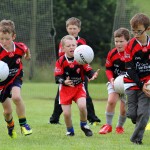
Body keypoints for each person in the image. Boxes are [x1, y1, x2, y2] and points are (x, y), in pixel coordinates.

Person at [49, 17, 101, 125]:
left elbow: (85, 58)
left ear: (79, 29)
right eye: (70, 28)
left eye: (74, 28)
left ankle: (93, 119)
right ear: (67, 28)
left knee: (85, 95)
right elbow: (61, 57)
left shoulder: (82, 42)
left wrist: (90, 72)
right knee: (60, 95)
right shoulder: (63, 41)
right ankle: (54, 119)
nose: (72, 30)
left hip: (80, 73)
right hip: (67, 74)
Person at [54, 35, 100, 136]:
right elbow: (57, 77)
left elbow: (88, 70)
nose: (71, 47)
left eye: (73, 45)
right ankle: (70, 130)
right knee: (66, 114)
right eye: (68, 46)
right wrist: (63, 81)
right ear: (63, 48)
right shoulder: (60, 61)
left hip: (79, 87)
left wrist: (93, 74)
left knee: (83, 106)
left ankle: (84, 125)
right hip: (65, 90)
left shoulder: (81, 58)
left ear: (77, 46)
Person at [0, 19, 32, 138]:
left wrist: (28, 56)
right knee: (7, 112)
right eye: (1, 39)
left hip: (15, 77)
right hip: (2, 84)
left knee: (17, 97)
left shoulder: (20, 47)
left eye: (7, 39)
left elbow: (26, 50)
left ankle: (24, 125)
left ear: (13, 36)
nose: (4, 42)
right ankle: (10, 126)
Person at [124, 13, 150, 145]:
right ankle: (137, 120)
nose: (135, 34)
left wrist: (147, 84)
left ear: (148, 29)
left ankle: (136, 139)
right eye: (133, 31)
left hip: (148, 85)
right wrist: (141, 85)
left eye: (139, 31)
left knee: (144, 114)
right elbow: (129, 68)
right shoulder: (130, 45)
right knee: (132, 114)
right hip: (132, 83)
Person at [99, 28, 130, 134]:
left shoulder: (132, 54)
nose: (118, 44)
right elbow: (108, 69)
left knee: (124, 109)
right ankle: (108, 125)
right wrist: (111, 79)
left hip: (128, 84)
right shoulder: (112, 53)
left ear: (128, 41)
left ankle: (119, 127)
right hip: (114, 83)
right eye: (116, 41)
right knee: (111, 101)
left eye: (121, 41)